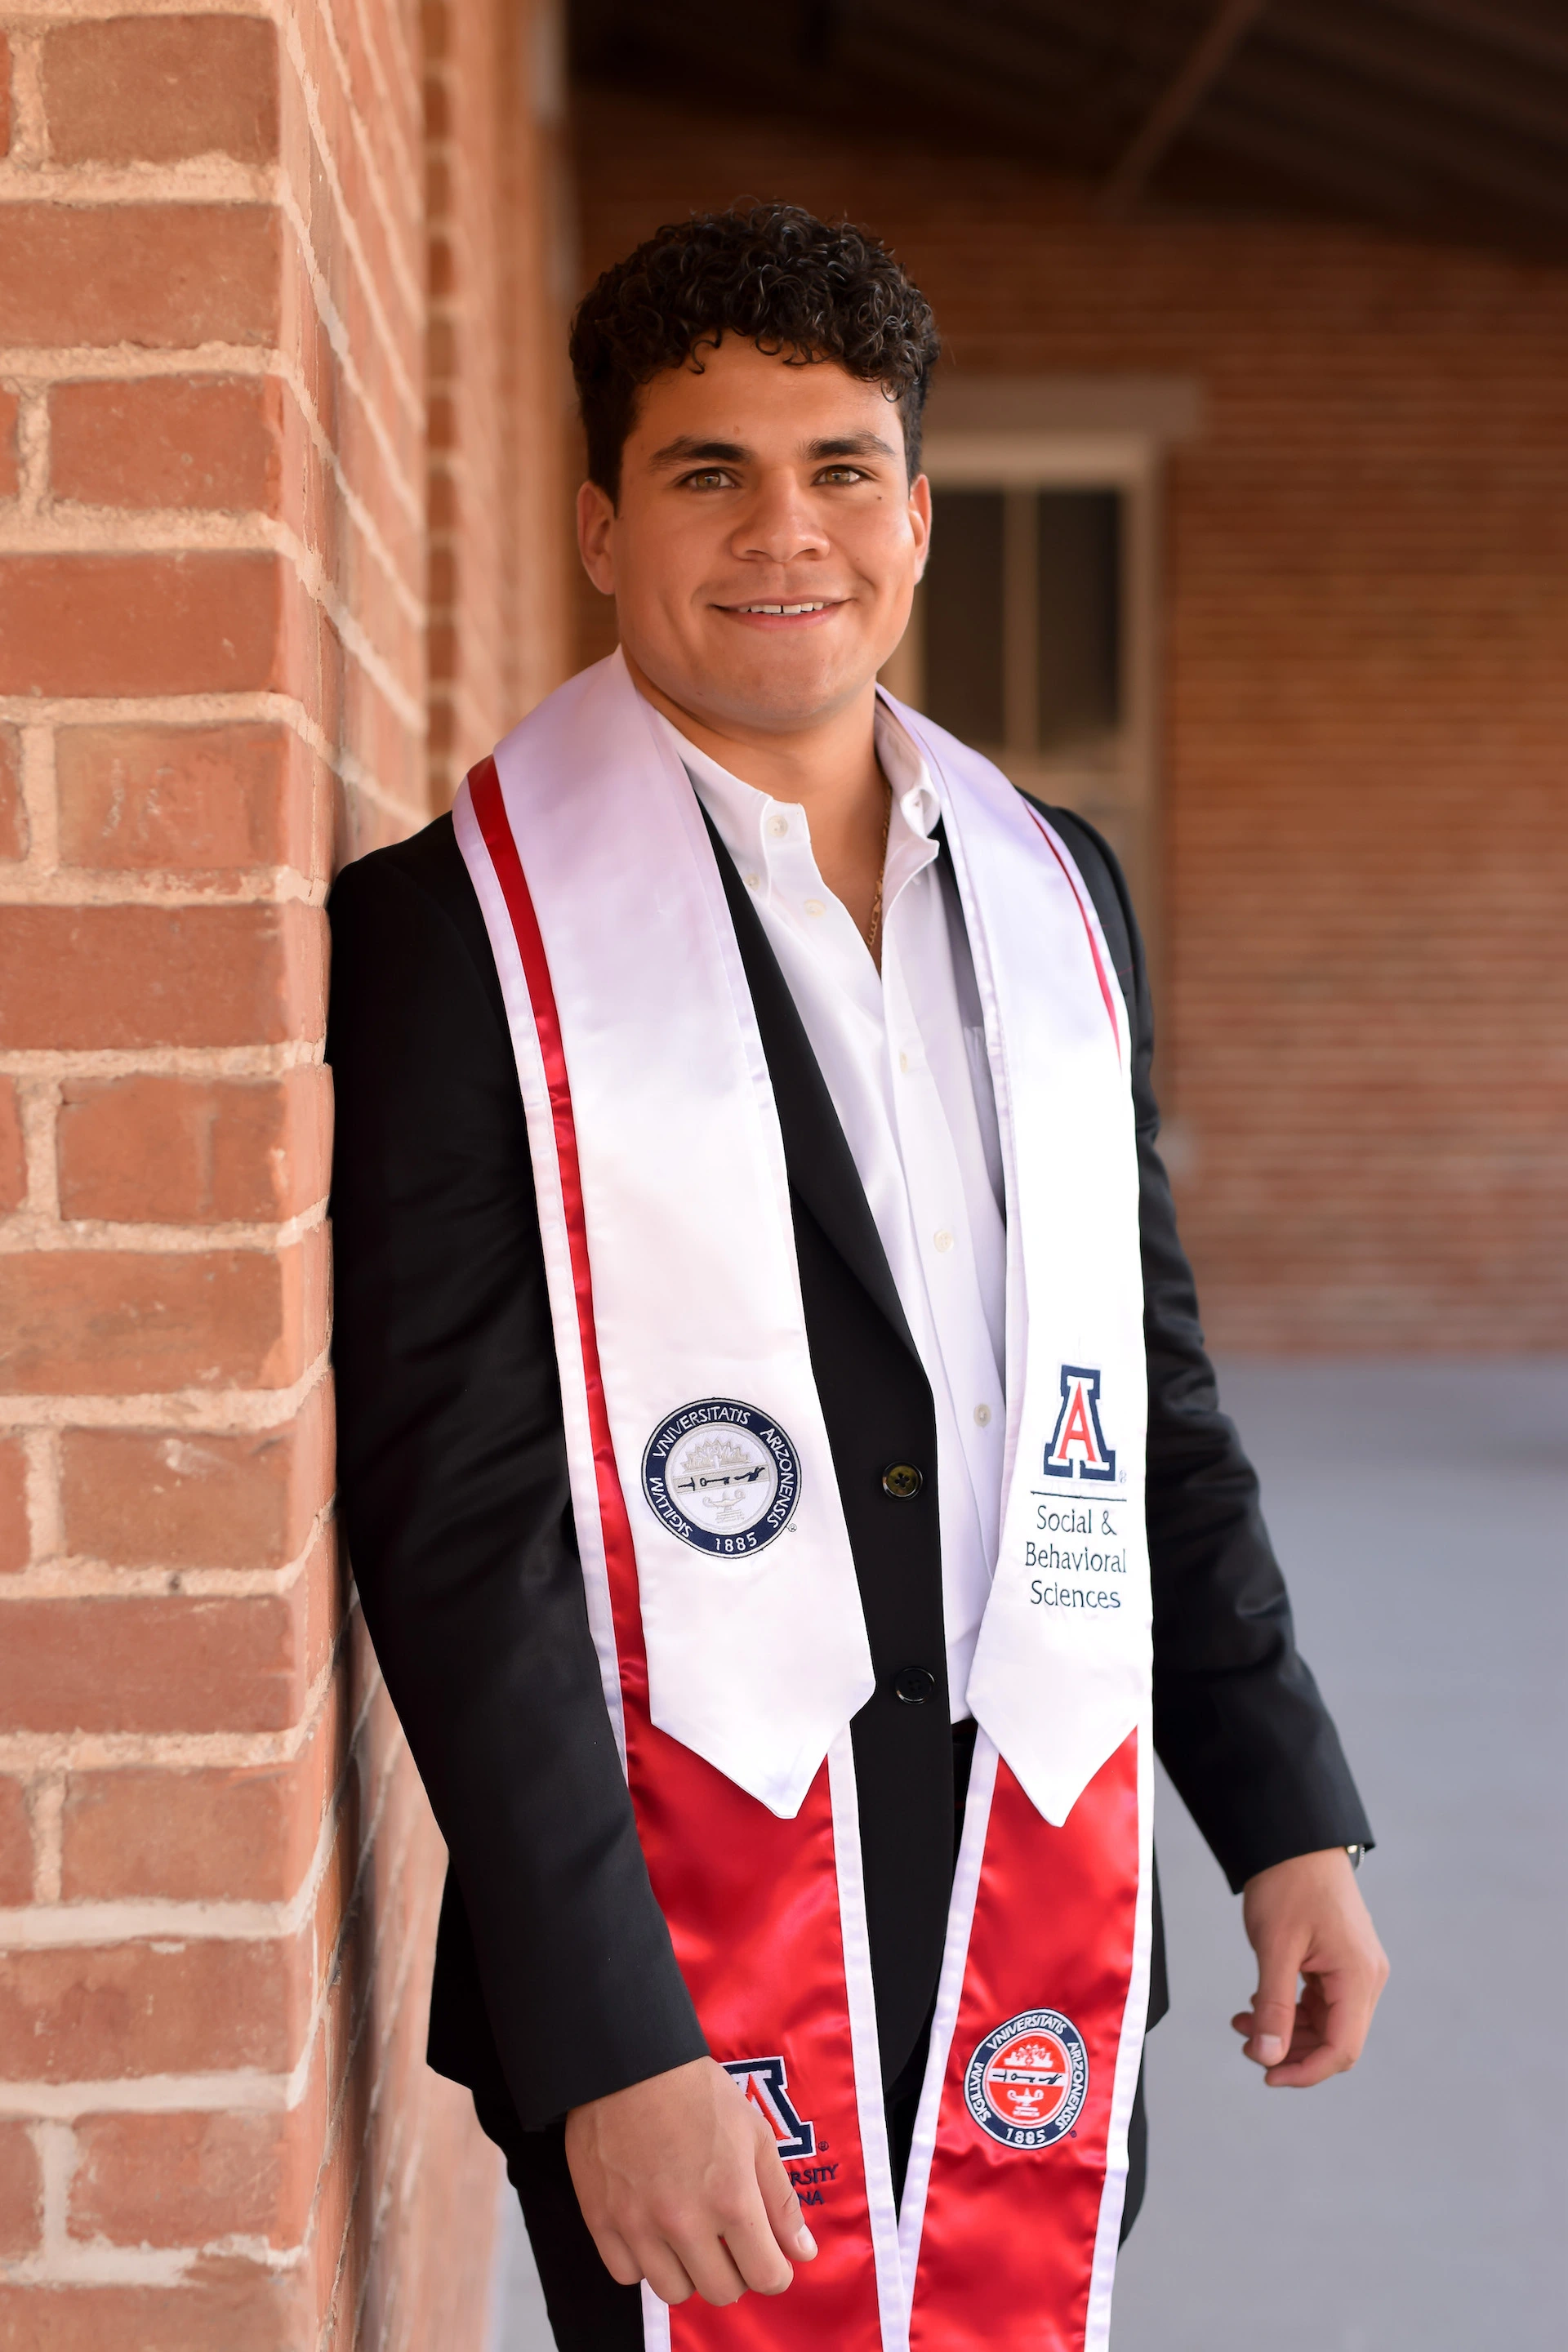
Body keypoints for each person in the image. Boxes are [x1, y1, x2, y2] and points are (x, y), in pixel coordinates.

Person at [326, 204, 1388, 2352]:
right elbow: (459, 1520)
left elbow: (1148, 1395)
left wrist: (1283, 1816)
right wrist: (613, 2036)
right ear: (605, 524)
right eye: (710, 469)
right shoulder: (458, 938)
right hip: (674, 1937)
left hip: (1044, 1881)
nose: (781, 531)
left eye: (838, 469)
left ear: (916, 511)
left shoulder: (1055, 894)